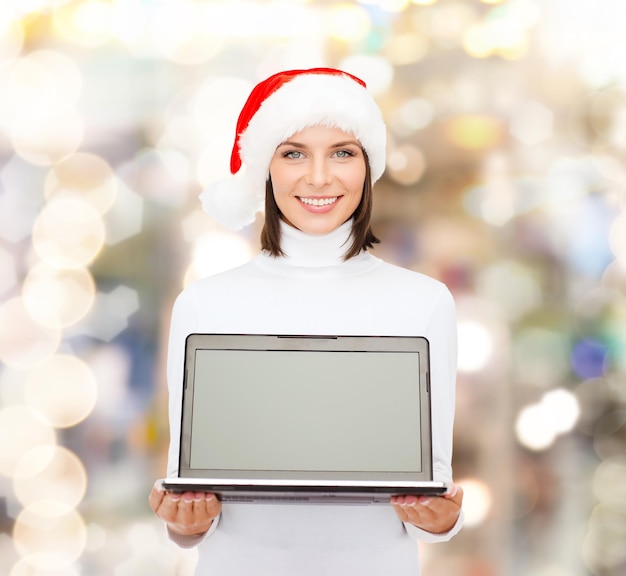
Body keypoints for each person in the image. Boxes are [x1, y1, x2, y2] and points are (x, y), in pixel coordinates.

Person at [149, 67, 463, 575]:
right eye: (293, 153)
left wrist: (442, 520)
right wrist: (185, 523)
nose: (319, 177)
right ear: (265, 168)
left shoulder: (424, 302)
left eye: (343, 152)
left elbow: (433, 484)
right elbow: (189, 487)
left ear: (368, 166)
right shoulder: (205, 304)